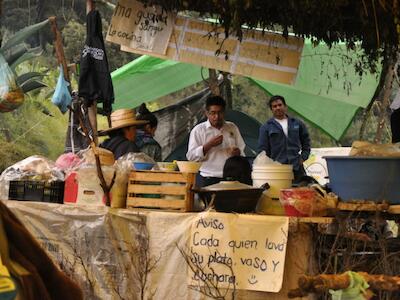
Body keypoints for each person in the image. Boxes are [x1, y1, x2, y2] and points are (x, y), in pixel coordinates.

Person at [186, 95, 246, 187]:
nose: (217, 117)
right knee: (211, 201)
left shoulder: (232, 127)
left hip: (232, 177)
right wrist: (209, 145)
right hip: (209, 177)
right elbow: (191, 157)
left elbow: (242, 150)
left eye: (220, 113)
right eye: (213, 113)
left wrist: (237, 152)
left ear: (224, 112)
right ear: (206, 113)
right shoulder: (199, 130)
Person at [258, 95, 311, 181]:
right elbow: (262, 150)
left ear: (285, 106)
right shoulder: (266, 127)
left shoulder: (297, 123)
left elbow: (306, 142)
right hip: (278, 169)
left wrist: (303, 157)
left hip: (296, 167)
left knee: (299, 192)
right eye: (274, 106)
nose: (278, 108)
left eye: (280, 105)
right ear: (271, 109)